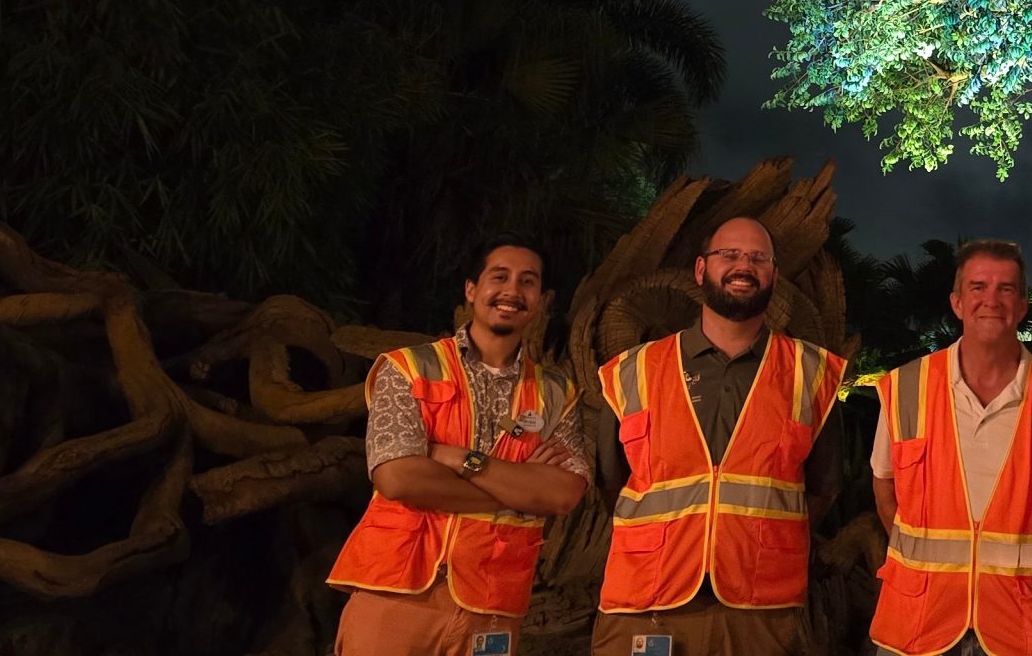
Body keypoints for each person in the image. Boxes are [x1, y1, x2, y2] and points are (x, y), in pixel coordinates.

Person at [592, 216, 850, 655]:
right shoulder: (633, 370)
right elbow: (611, 483)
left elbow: (822, 490)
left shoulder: (812, 373)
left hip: (760, 610)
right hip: (644, 599)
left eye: (758, 258)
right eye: (729, 254)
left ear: (773, 275)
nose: (743, 266)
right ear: (700, 269)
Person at [330, 237, 590, 656]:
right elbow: (397, 477)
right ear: (471, 289)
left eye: (528, 281)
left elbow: (562, 494)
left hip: (493, 603)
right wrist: (519, 492)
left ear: (542, 301)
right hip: (396, 594)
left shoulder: (557, 392)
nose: (512, 291)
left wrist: (458, 459)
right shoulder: (408, 367)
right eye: (499, 277)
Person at [870, 240, 1032, 656]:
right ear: (957, 302)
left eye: (1005, 289)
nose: (991, 300)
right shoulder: (905, 388)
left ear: (1023, 304)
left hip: (1021, 626)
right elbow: (885, 486)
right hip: (918, 622)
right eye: (978, 287)